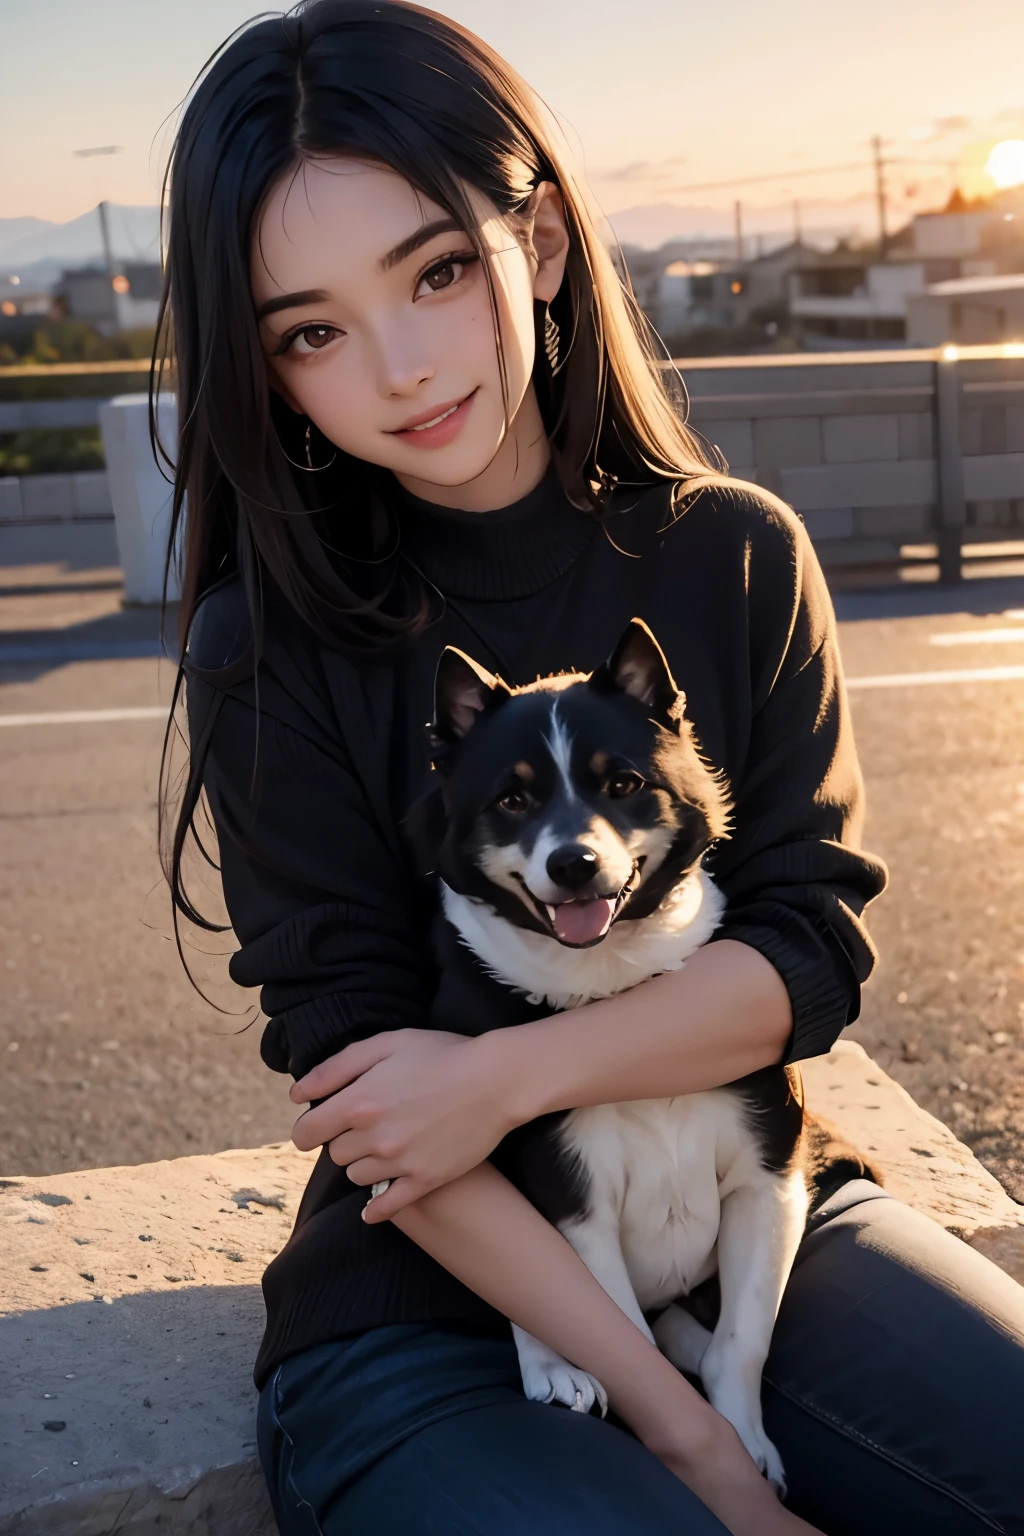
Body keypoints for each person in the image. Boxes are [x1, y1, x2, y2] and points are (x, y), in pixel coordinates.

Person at [159, 4, 1024, 1532]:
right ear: (270, 365)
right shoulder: (271, 645)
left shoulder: (735, 555)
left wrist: (500, 1070)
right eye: (312, 329)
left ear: (541, 245)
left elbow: (805, 954)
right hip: (427, 1304)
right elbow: (384, 1119)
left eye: (437, 271)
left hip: (748, 1216)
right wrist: (698, 1452)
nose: (402, 364)